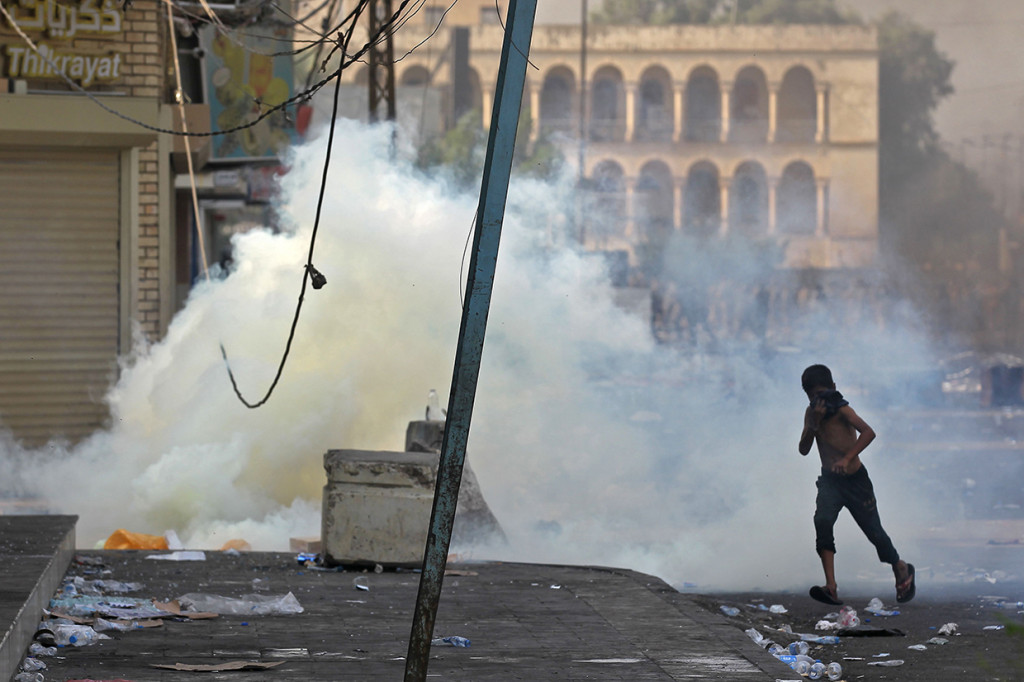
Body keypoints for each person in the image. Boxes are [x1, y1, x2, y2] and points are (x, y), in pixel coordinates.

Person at [799, 364, 915, 606]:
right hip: (830, 481)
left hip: (855, 482)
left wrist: (847, 457)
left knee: (874, 532)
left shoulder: (844, 411)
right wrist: (814, 424)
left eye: (822, 394)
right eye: (813, 396)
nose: (818, 400)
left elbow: (868, 432)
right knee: (822, 521)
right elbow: (803, 449)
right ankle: (831, 587)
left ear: (833, 388)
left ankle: (900, 567)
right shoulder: (811, 415)